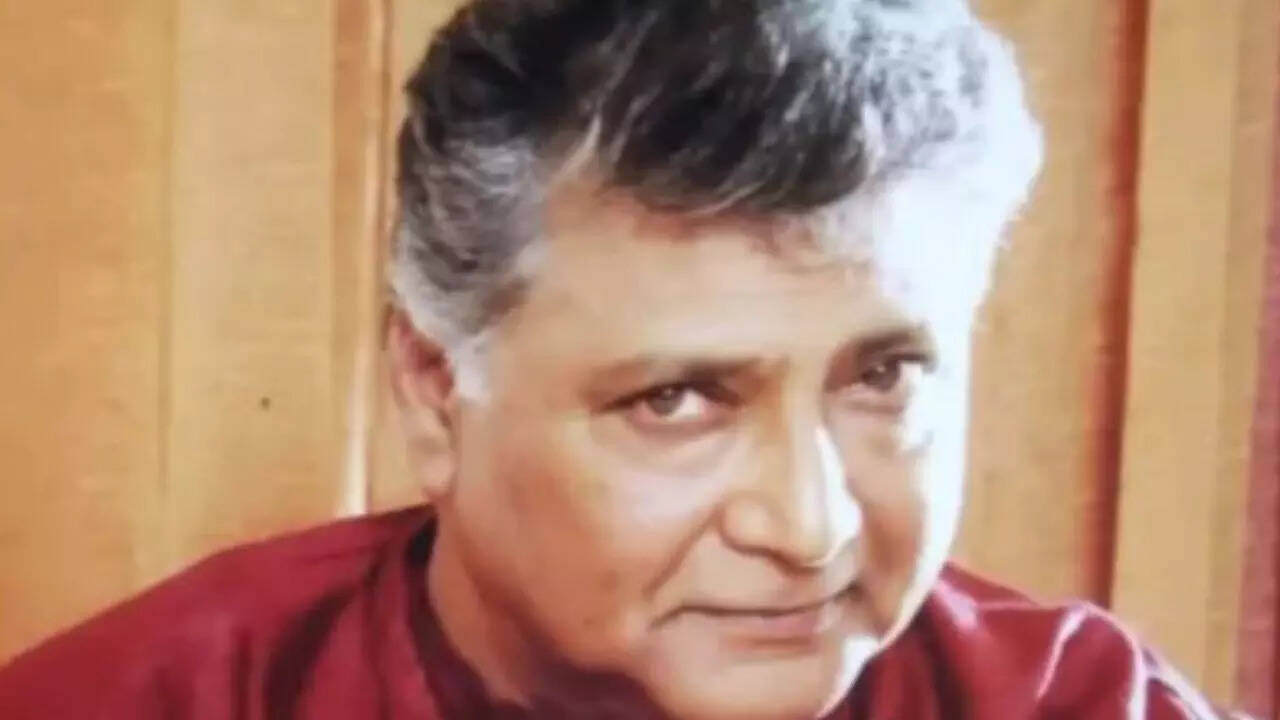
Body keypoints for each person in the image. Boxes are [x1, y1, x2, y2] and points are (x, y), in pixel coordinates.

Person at [0, 0, 1246, 718]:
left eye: (882, 379)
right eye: (677, 400)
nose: (808, 527)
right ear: (434, 389)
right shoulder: (138, 703)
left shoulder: (1077, 706)